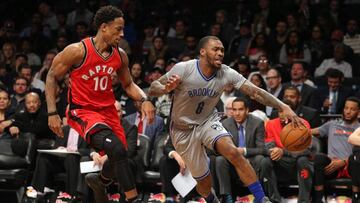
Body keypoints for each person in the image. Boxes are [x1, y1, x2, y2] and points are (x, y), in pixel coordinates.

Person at [148, 36, 303, 203]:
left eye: (222, 50)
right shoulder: (184, 68)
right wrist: (165, 88)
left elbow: (255, 92)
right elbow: (153, 87)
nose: (220, 53)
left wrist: (283, 107)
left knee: (233, 152)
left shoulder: (226, 72)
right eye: (215, 49)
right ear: (202, 52)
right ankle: (210, 199)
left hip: (207, 120)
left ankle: (261, 199)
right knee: (204, 184)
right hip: (182, 129)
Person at [45, 5, 155, 202]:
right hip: (84, 111)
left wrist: (145, 99)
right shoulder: (78, 50)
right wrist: (52, 112)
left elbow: (128, 84)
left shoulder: (120, 55)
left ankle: (101, 181)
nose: (122, 34)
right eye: (118, 29)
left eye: (123, 29)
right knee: (117, 150)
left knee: (120, 154)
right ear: (103, 27)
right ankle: (133, 198)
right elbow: (52, 76)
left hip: (108, 112)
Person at [216, 97, 267, 203]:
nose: (237, 113)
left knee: (261, 159)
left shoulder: (257, 123)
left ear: (247, 110)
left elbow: (262, 149)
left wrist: (243, 151)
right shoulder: (225, 124)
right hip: (233, 163)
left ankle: (260, 196)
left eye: (240, 109)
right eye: (234, 110)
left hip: (251, 160)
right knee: (220, 160)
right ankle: (227, 196)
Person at [311, 97, 360, 203]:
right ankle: (319, 198)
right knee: (319, 158)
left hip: (350, 166)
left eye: (352, 109)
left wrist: (343, 162)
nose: (348, 111)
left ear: (358, 112)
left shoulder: (359, 129)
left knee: (355, 159)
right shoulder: (332, 124)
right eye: (346, 108)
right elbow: (310, 132)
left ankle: (356, 197)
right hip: (331, 166)